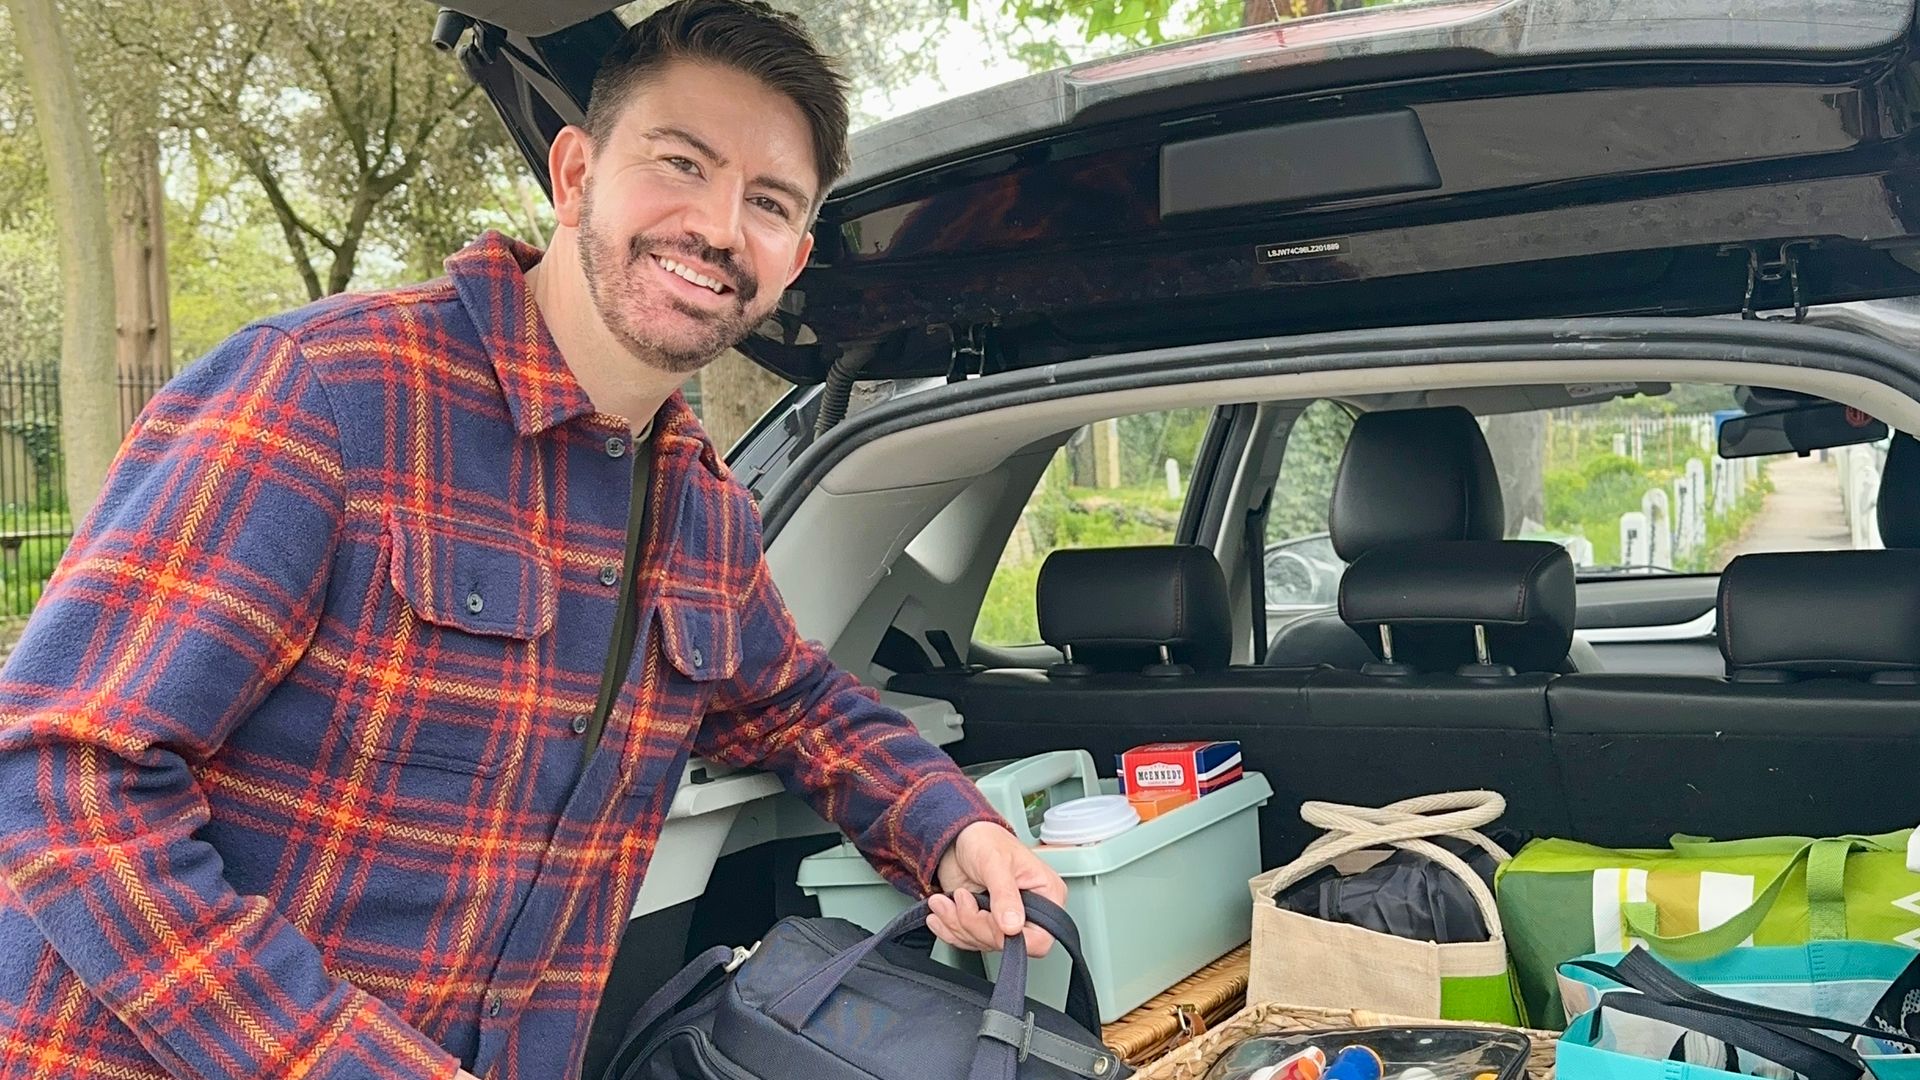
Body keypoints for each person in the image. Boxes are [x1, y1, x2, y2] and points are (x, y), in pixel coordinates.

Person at [0, 3, 1065, 1078]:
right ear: (575, 174)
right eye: (682, 163)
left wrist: (953, 829)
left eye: (769, 202)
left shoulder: (702, 513)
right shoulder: (327, 391)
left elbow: (793, 702)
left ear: (793, 258)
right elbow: (62, 780)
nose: (718, 225)